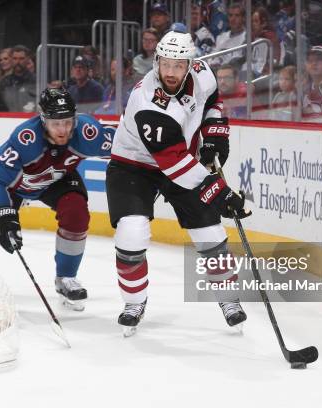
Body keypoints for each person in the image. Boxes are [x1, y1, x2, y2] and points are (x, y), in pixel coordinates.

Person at [106, 31, 251, 336]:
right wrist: (221, 194)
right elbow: (178, 169)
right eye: (165, 64)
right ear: (156, 62)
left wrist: (213, 133)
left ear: (190, 64)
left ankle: (229, 300)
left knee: (210, 233)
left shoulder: (203, 73)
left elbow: (213, 100)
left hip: (180, 157)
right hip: (134, 166)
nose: (170, 72)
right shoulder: (147, 103)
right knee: (131, 234)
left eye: (178, 65)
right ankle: (134, 302)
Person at [0, 88, 114, 311]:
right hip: (14, 188)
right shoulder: (26, 139)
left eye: (67, 122)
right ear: (43, 120)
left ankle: (65, 278)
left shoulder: (87, 132)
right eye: (56, 123)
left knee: (76, 213)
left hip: (57, 180)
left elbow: (126, 146)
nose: (63, 130)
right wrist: (4, 215)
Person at [0, 45, 37, 112]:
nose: (18, 62)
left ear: (27, 59)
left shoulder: (37, 81)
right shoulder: (3, 83)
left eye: (21, 58)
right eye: (15, 58)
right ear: (11, 60)